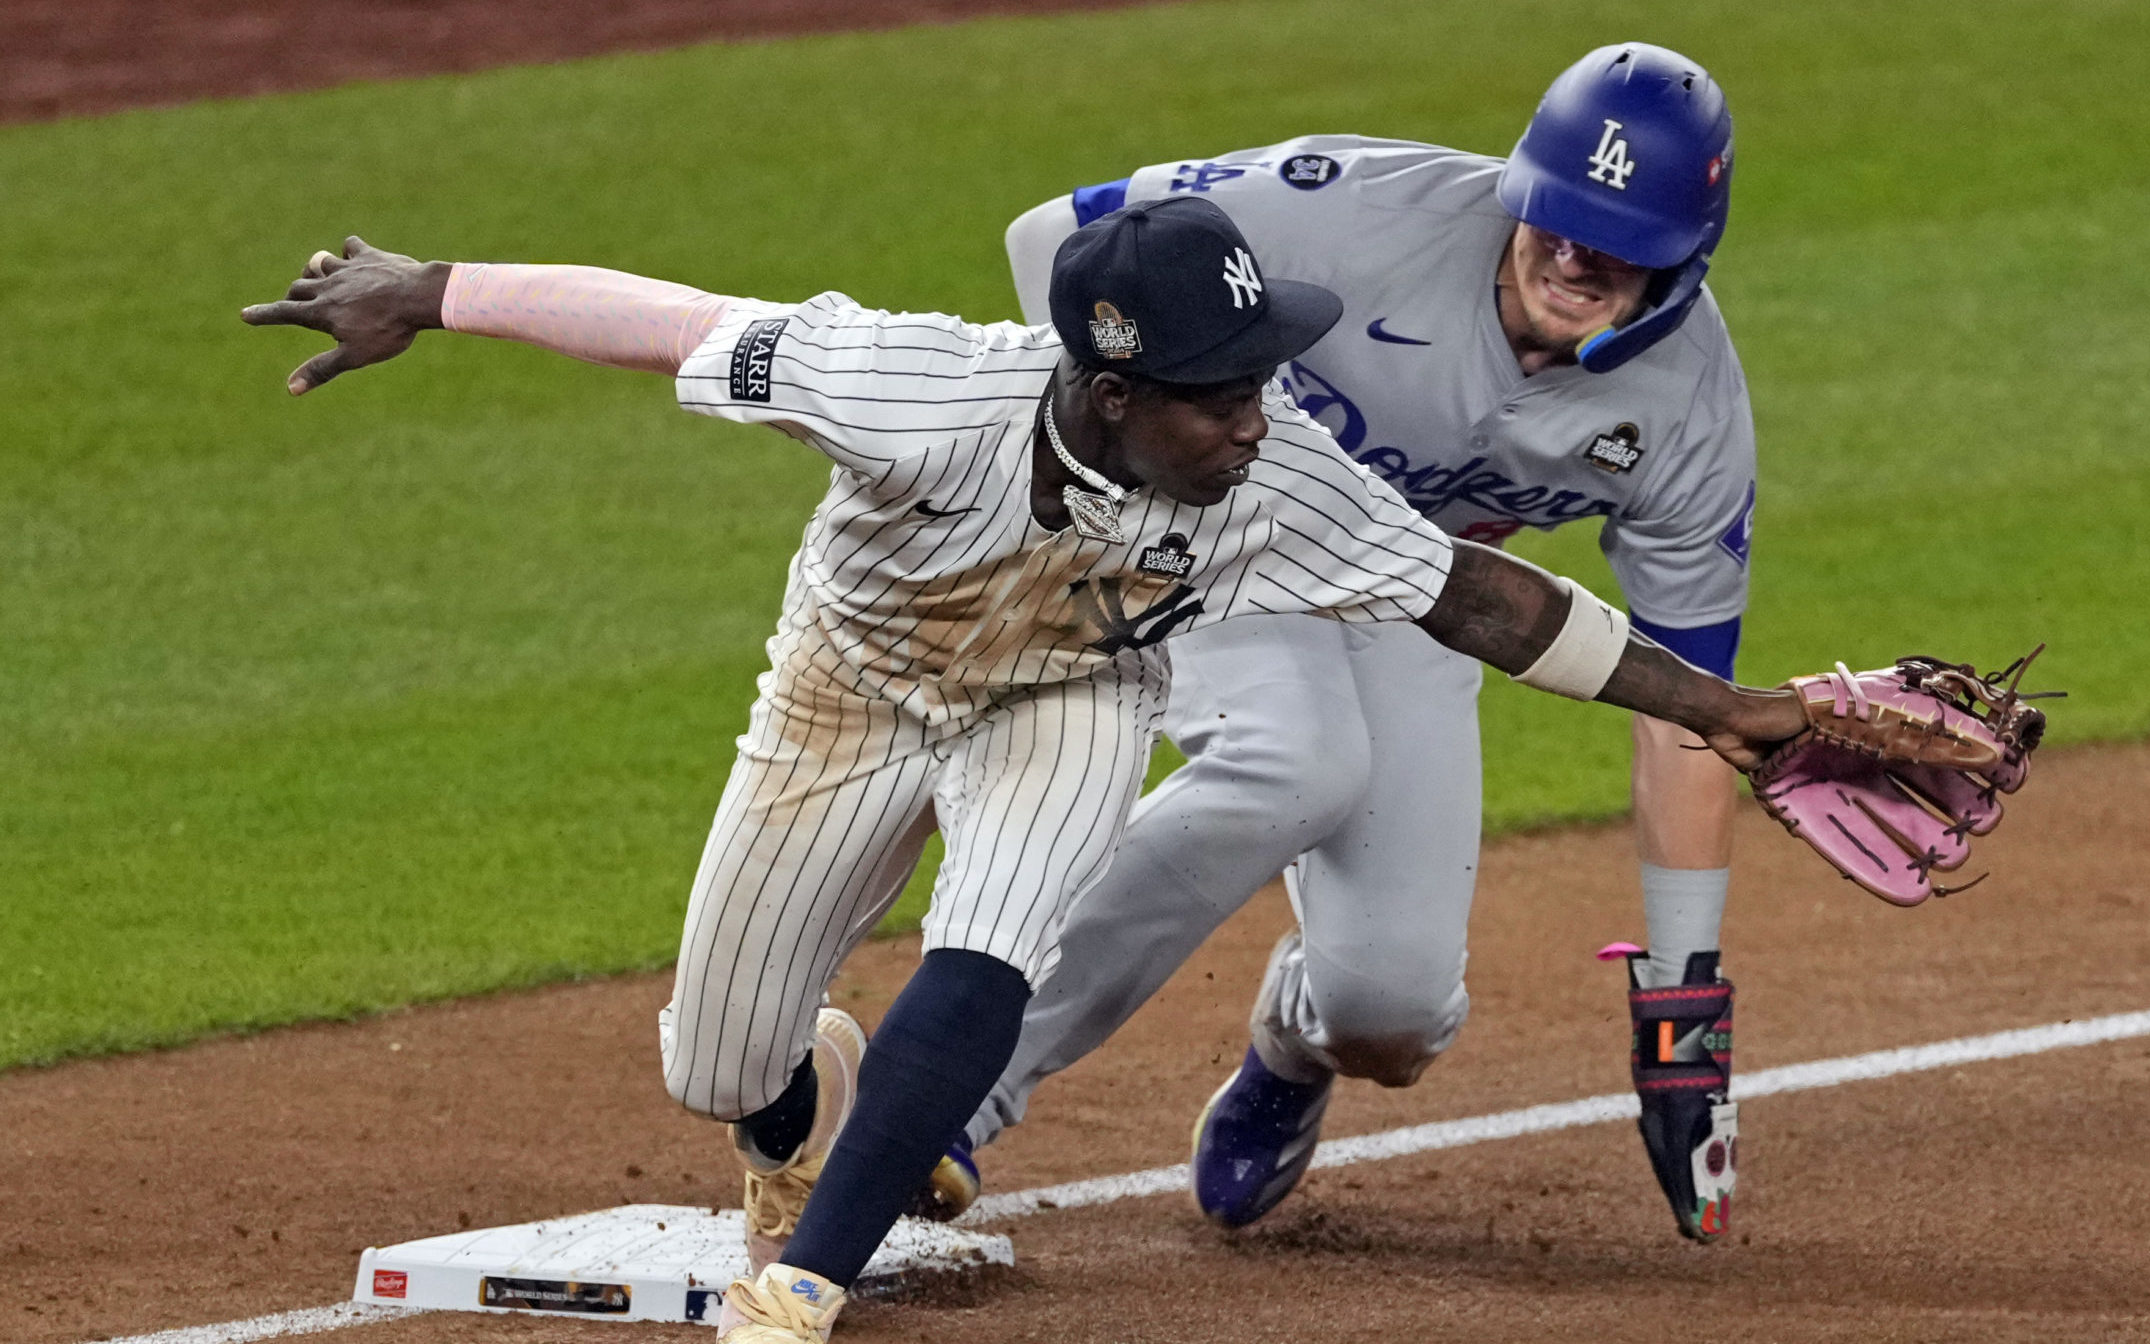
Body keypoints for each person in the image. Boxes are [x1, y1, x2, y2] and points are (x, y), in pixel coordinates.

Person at [241, 194, 1831, 1342]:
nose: (1260, 417)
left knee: (994, 935)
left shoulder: (1279, 477)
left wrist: (1725, 708)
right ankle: (816, 1111)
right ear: (1114, 390)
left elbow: (1480, 593)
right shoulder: (910, 387)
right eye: (1224, 393)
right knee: (718, 1071)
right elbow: (675, 323)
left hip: (1066, 702)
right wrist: (433, 287)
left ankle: (807, 1281)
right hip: (847, 694)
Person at [952, 42, 1758, 1241]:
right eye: (1557, 216)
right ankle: (956, 1086)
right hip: (1217, 528)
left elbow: (1688, 709)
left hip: (1423, 597)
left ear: (1684, 261)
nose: (1576, 255)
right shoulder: (1349, 211)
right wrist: (1112, 441)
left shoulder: (1688, 412)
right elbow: (1047, 238)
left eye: (1619, 240)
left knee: (1392, 1010)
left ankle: (1290, 1046)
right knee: (1290, 759)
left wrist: (1682, 1005)